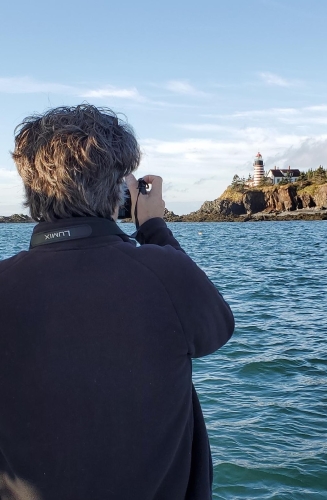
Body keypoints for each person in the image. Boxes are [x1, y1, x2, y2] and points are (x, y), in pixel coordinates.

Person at [0, 105, 234, 500]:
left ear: (30, 190)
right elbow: (216, 331)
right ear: (118, 192)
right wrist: (154, 227)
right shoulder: (165, 273)